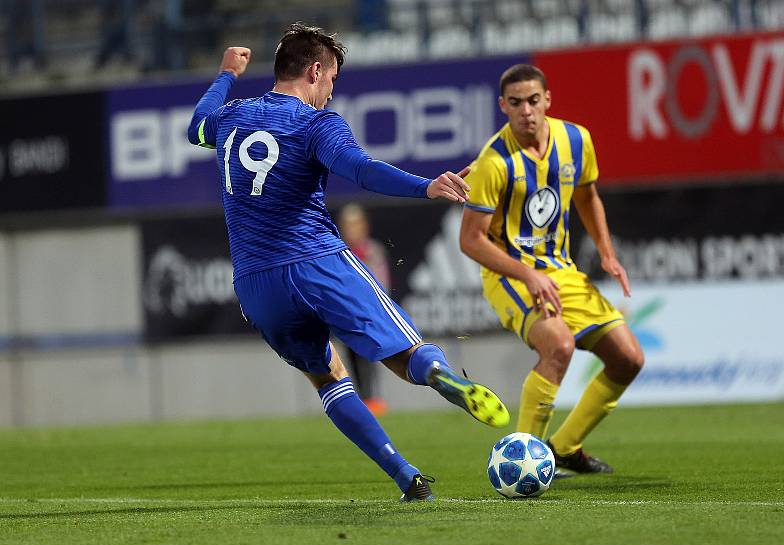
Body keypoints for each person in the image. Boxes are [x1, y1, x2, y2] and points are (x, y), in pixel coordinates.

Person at [187, 23, 509, 501]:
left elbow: (196, 127)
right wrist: (425, 185)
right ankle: (439, 374)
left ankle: (404, 474)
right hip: (315, 261)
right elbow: (361, 170)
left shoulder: (232, 117)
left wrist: (226, 75)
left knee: (328, 377)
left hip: (255, 283)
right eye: (333, 78)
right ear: (315, 70)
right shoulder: (317, 124)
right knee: (404, 351)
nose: (331, 90)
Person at [459, 64, 645, 475]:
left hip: (561, 270)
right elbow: (470, 240)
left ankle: (565, 449)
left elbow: (587, 195)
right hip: (511, 275)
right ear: (502, 106)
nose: (526, 110)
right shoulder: (494, 162)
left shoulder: (576, 140)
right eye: (516, 102)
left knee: (628, 359)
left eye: (533, 100)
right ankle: (522, 460)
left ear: (548, 100)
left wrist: (607, 252)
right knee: (558, 346)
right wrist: (527, 275)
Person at [337, 203, 390, 416]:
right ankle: (362, 398)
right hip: (345, 313)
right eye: (349, 226)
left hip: (368, 312)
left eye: (357, 225)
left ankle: (372, 397)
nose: (353, 230)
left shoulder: (373, 251)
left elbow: (381, 281)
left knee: (369, 356)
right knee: (351, 357)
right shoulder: (339, 251)